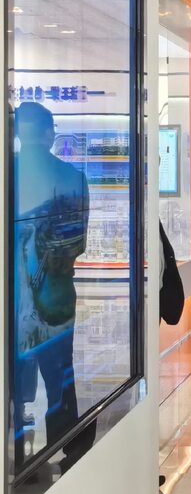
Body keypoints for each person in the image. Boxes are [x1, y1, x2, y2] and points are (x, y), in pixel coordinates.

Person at [12, 102, 95, 470]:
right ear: (50, 133)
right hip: (56, 298)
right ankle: (65, 442)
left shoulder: (7, 173)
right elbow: (78, 244)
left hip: (10, 299)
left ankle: (18, 443)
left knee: (12, 372)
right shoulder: (73, 177)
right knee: (59, 371)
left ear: (17, 132)